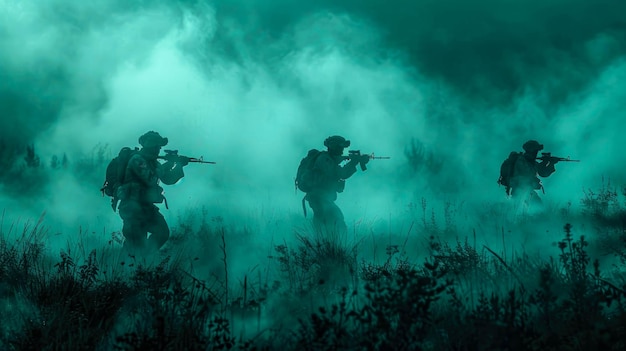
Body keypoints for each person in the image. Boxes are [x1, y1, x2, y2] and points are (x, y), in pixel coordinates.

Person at [116, 131, 188, 254]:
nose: (159, 150)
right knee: (135, 246)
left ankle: (146, 259)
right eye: (157, 147)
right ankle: (130, 267)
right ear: (151, 146)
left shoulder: (153, 162)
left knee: (162, 232)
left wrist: (178, 166)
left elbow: (168, 179)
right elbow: (150, 178)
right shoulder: (137, 159)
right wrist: (168, 164)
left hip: (146, 207)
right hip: (132, 208)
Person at [304, 135, 368, 235]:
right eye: (340, 147)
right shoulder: (324, 159)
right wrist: (353, 162)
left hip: (321, 197)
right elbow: (341, 173)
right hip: (318, 197)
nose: (342, 150)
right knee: (337, 220)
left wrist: (353, 160)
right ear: (333, 146)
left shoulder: (329, 159)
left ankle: (321, 244)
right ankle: (336, 244)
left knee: (323, 224)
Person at [509, 140, 556, 206]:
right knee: (533, 207)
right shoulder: (521, 161)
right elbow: (528, 174)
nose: (536, 153)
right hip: (519, 190)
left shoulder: (532, 162)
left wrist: (551, 163)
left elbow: (543, 173)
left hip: (527, 190)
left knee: (537, 207)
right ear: (530, 151)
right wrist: (544, 163)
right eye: (535, 151)